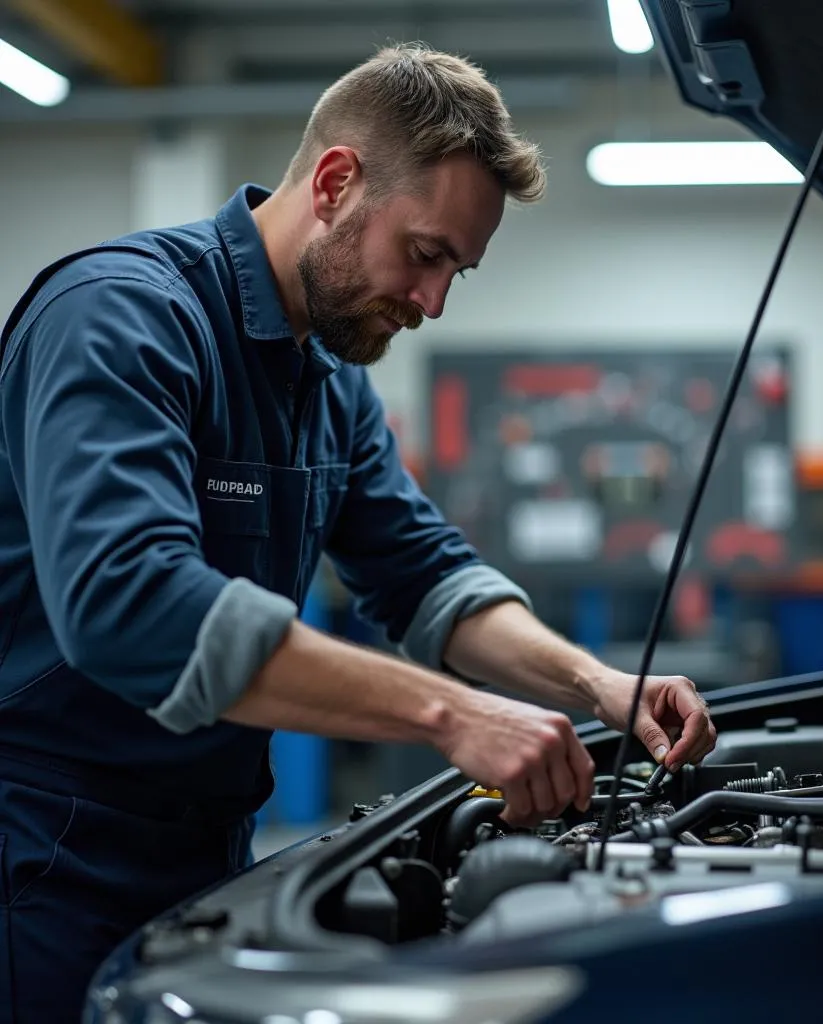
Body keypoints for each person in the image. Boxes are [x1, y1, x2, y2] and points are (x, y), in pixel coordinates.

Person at [0, 44, 716, 1021]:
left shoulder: (328, 383)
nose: (433, 302)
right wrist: (451, 715)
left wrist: (594, 683)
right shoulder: (123, 317)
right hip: (44, 855)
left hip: (206, 851)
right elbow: (129, 605)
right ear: (335, 181)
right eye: (425, 255)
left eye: (456, 270)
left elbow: (425, 577)